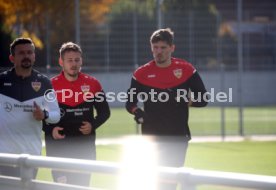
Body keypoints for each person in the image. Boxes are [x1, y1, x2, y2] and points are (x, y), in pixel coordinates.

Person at [125, 28, 208, 190]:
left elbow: (203, 99)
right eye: (155, 47)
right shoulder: (141, 73)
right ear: (151, 48)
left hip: (178, 135)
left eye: (163, 48)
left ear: (172, 48)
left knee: (170, 182)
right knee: (155, 181)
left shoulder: (186, 69)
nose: (159, 52)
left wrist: (186, 100)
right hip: (151, 137)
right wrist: (137, 112)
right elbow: (130, 103)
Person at [43, 42, 110, 187]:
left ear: (81, 61)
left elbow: (105, 112)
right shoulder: (49, 85)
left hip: (84, 148)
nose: (74, 64)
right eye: (70, 60)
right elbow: (42, 116)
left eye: (77, 60)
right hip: (58, 149)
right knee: (62, 187)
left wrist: (93, 125)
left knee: (81, 186)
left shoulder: (93, 84)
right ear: (61, 62)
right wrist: (50, 130)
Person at [0, 37, 60, 178]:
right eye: (21, 53)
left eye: (29, 52)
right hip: (4, 154)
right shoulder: (1, 81)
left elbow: (56, 114)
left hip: (32, 154)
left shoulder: (44, 83)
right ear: (12, 58)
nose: (26, 56)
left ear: (34, 56)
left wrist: (44, 115)